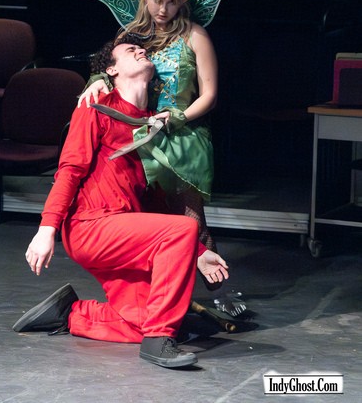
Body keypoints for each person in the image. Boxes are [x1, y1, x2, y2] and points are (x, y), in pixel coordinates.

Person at [13, 38, 229, 369]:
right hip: (90, 226)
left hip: (126, 234)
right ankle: (159, 340)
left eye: (143, 50)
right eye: (130, 51)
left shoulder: (152, 123)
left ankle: (71, 313)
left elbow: (153, 202)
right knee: (183, 230)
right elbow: (69, 170)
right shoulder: (96, 106)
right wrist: (46, 229)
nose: (141, 51)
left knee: (143, 320)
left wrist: (197, 252)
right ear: (111, 70)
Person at [79, 0, 219, 286]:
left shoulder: (194, 36)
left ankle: (210, 279)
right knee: (147, 220)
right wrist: (97, 79)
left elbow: (209, 95)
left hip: (181, 137)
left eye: (171, 2)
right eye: (156, 0)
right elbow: (109, 66)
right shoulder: (130, 35)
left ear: (182, 1)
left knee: (191, 222)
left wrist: (177, 117)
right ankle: (159, 288)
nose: (163, 9)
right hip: (138, 134)